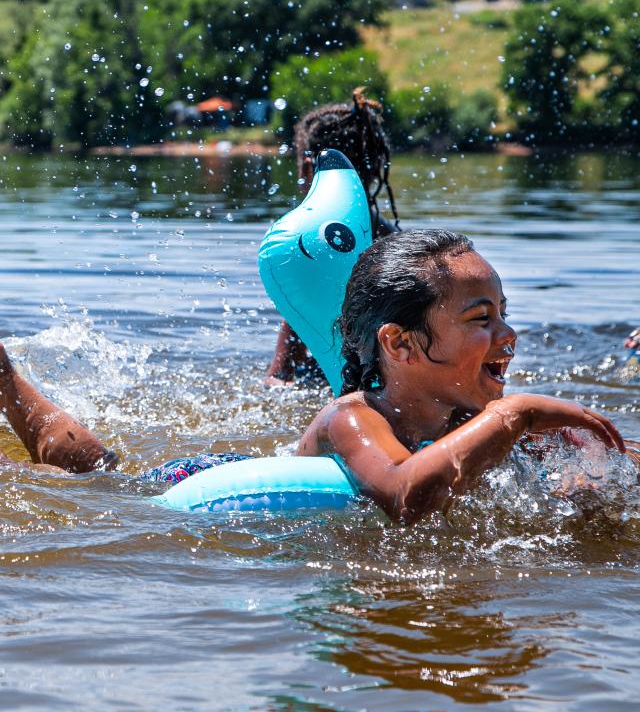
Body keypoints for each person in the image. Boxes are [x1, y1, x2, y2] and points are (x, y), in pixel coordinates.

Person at [0, 230, 634, 524]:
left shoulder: (471, 417)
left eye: (504, 314)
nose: (508, 336)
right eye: (480, 318)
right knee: (103, 478)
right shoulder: (354, 417)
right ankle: (6, 379)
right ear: (401, 343)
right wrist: (516, 414)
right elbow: (406, 497)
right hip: (204, 480)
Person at [265, 87, 400, 385]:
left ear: (311, 167)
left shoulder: (318, 243)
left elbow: (281, 374)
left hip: (333, 386)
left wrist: (274, 379)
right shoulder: (395, 243)